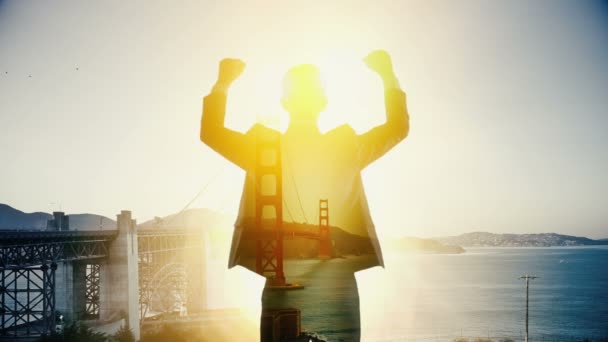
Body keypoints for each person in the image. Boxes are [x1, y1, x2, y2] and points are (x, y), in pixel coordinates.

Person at [200, 50, 409, 342]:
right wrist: (388, 75)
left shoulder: (262, 149)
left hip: (280, 283)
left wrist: (223, 83)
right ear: (323, 103)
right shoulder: (346, 147)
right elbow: (398, 127)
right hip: (337, 284)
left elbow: (211, 133)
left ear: (285, 103)